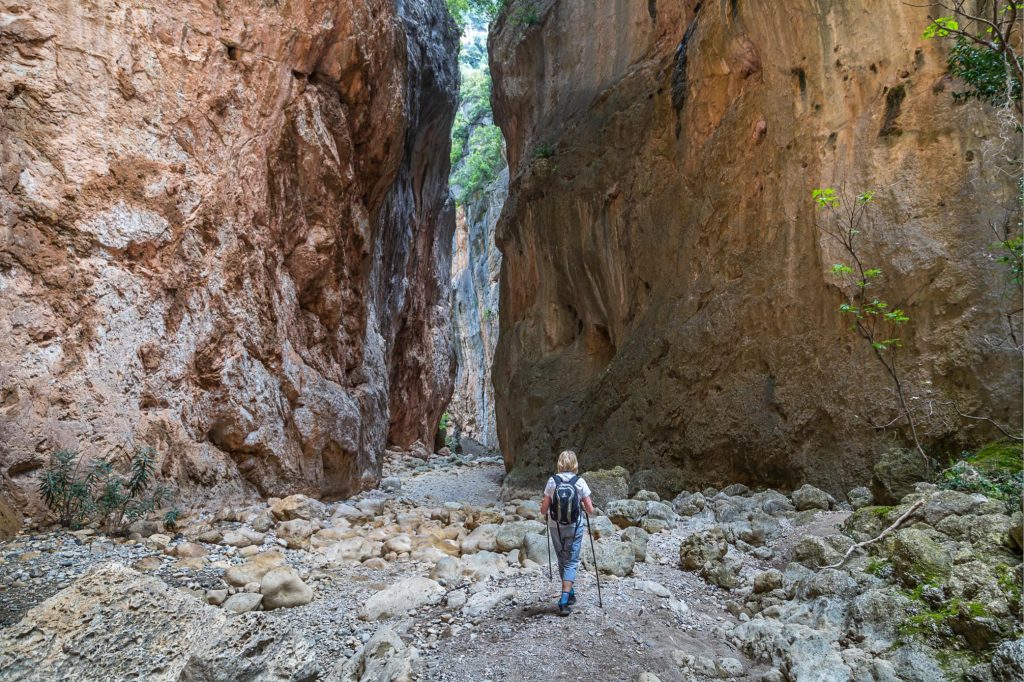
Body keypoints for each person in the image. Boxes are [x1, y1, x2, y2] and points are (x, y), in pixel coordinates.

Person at [539, 449, 595, 616]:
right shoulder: (579, 482)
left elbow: (543, 510)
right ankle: (564, 600)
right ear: (575, 464)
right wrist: (582, 505)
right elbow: (590, 510)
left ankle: (569, 593)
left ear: (560, 463)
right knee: (571, 561)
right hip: (574, 526)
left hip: (555, 526)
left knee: (562, 559)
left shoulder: (552, 481)